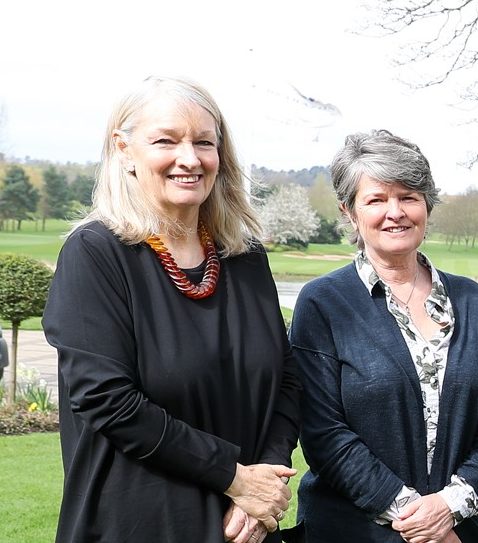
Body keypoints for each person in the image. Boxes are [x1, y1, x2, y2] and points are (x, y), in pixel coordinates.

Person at [43, 76, 300, 543]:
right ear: (123, 150)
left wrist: (266, 476)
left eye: (204, 142)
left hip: (247, 528)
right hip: (139, 525)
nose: (190, 158)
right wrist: (234, 478)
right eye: (166, 141)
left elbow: (287, 379)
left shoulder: (244, 258)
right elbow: (108, 400)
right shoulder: (96, 253)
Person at [290, 130, 478, 542]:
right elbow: (323, 433)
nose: (395, 212)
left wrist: (448, 507)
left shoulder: (472, 301)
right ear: (350, 212)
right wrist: (418, 520)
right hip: (351, 534)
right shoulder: (323, 303)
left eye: (408, 197)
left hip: (456, 530)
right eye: (376, 200)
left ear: (427, 204)